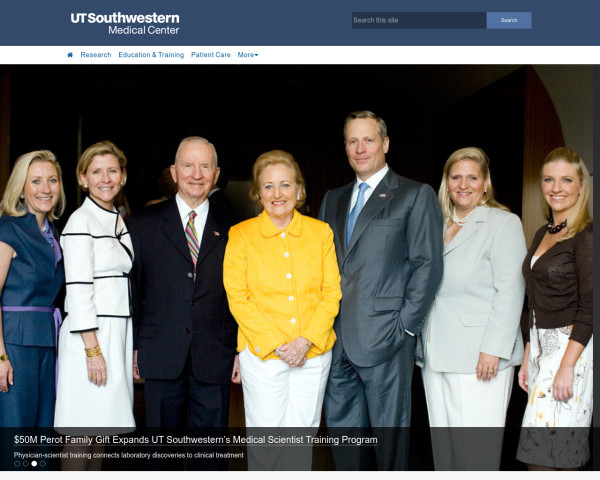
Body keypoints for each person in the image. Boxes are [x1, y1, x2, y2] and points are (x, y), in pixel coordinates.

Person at [318, 111, 443, 470]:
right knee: (345, 444)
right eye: (352, 141)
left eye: (368, 140)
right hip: (335, 340)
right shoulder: (332, 199)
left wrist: (405, 328)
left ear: (385, 144)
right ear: (345, 147)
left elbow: (428, 264)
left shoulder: (414, 194)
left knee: (389, 447)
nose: (360, 148)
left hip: (387, 338)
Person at [223, 150, 342, 469]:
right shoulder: (241, 235)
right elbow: (238, 297)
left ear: (299, 190)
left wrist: (305, 341)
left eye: (285, 185)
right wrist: (278, 343)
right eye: (269, 186)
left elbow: (331, 293)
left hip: (312, 354)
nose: (278, 194)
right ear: (258, 193)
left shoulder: (321, 233)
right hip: (263, 356)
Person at [419, 147, 526, 470]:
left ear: (485, 183)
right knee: (446, 454)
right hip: (435, 353)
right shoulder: (435, 223)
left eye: (472, 177)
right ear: (446, 182)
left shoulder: (503, 223)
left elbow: (511, 291)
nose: (463, 185)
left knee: (476, 457)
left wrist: (494, 348)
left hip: (480, 356)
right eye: (456, 177)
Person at [129, 136, 238, 436]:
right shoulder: (143, 222)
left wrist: (239, 350)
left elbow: (242, 294)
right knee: (162, 450)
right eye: (188, 166)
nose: (196, 174)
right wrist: (135, 345)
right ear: (174, 172)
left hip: (216, 354)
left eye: (205, 166)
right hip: (159, 351)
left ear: (216, 174)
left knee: (210, 451)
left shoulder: (235, 227)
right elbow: (133, 289)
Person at [53, 141, 134, 467]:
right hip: (90, 337)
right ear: (83, 178)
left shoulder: (117, 219)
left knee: (100, 431)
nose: (105, 178)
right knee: (82, 432)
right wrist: (92, 350)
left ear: (122, 176)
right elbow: (77, 290)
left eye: (112, 170)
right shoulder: (80, 221)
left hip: (114, 333)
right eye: (97, 172)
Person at [516, 147, 593, 470]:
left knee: (552, 455)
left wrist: (567, 365)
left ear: (581, 186)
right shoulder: (543, 233)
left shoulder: (586, 236)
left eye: (566, 180)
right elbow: (533, 299)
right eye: (549, 179)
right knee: (542, 452)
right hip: (540, 349)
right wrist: (527, 353)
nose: (556, 188)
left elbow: (591, 306)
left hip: (569, 350)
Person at [0, 150, 65, 428]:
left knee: (43, 432)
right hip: (14, 344)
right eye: (36, 181)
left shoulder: (54, 233)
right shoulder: (7, 228)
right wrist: (0, 357)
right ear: (21, 188)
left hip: (48, 343)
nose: (45, 189)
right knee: (16, 429)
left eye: (52, 180)